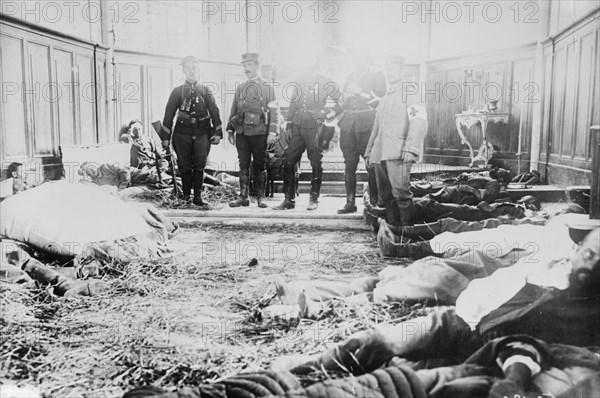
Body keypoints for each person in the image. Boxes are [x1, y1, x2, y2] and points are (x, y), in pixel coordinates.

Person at [364, 55, 428, 227]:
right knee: (385, 196)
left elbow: (419, 121)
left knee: (401, 194)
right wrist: (369, 152)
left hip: (399, 151)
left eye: (393, 69)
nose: (389, 73)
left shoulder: (410, 91)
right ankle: (394, 230)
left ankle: (408, 233)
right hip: (380, 153)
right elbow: (376, 129)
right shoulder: (384, 98)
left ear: (401, 70)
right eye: (387, 70)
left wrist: (411, 148)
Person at [273, 57, 342, 211]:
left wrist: (325, 113)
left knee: (315, 161)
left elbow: (341, 101)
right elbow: (293, 103)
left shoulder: (325, 81)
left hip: (314, 127)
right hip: (297, 125)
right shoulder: (299, 80)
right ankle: (288, 199)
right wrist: (290, 125)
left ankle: (314, 198)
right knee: (289, 158)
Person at [160, 56, 222, 206]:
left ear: (198, 70)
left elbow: (214, 111)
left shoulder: (206, 91)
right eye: (188, 68)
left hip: (202, 133)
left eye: (194, 68)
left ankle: (198, 197)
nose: (192, 71)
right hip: (182, 134)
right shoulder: (177, 92)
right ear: (183, 71)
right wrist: (165, 137)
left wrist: (218, 133)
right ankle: (186, 196)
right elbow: (169, 113)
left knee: (200, 165)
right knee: (185, 166)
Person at [337, 53, 387, 214]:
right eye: (355, 57)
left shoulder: (377, 75)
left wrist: (361, 92)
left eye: (360, 57)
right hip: (349, 126)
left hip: (367, 125)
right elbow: (343, 103)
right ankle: (350, 203)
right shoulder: (350, 76)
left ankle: (373, 203)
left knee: (370, 165)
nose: (357, 61)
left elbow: (382, 99)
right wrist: (345, 97)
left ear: (367, 58)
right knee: (349, 165)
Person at [227, 53, 279, 208]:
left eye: (249, 65)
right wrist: (230, 130)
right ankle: (243, 196)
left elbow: (275, 112)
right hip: (242, 132)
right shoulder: (240, 88)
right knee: (243, 164)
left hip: (259, 132)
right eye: (244, 65)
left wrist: (272, 132)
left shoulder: (267, 88)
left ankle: (261, 198)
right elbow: (234, 109)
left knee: (260, 165)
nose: (246, 69)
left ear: (257, 66)